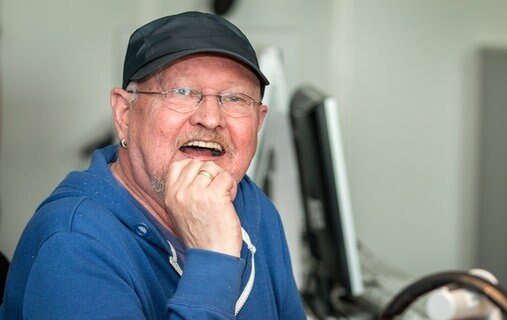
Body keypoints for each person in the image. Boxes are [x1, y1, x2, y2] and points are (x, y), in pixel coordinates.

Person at [0, 11, 306, 319]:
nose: (211, 118)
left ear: (259, 122)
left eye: (235, 99)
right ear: (124, 114)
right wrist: (214, 259)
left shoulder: (255, 208)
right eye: (182, 92)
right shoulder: (73, 244)